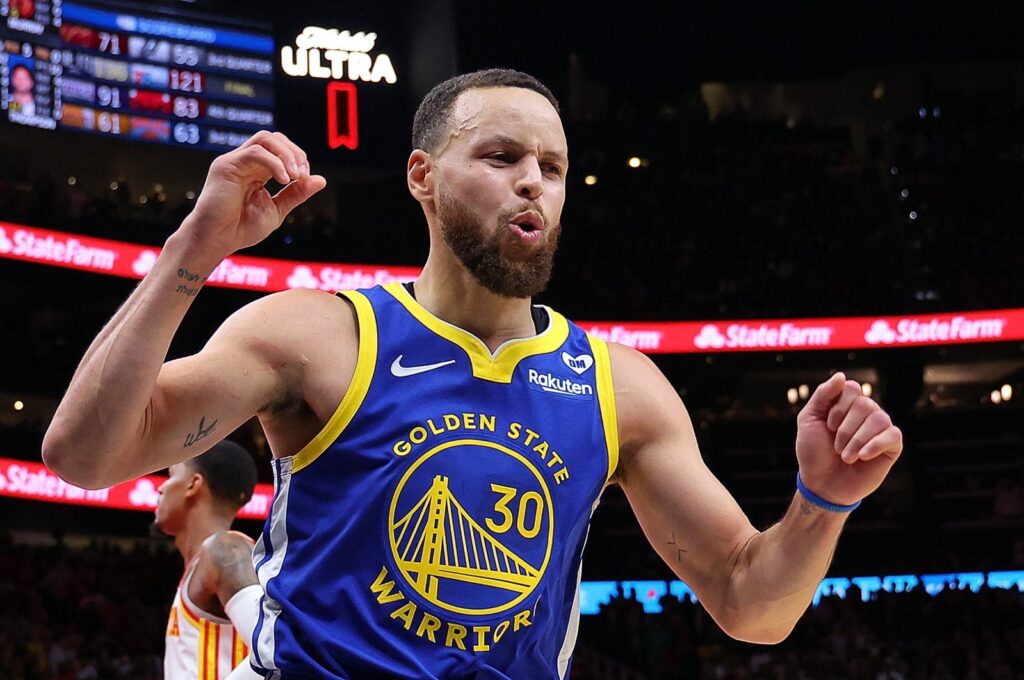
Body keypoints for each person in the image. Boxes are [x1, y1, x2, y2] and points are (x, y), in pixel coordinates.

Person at [43, 69, 903, 678]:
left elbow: (754, 604)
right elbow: (84, 454)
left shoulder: (620, 386)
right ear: (422, 176)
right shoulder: (315, 335)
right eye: (500, 158)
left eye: (554, 169)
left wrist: (822, 502)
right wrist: (195, 246)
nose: (533, 182)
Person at [154, 440, 264, 680]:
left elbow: (272, 647)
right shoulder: (199, 565)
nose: (160, 489)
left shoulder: (225, 549)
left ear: (193, 484)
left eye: (171, 475)